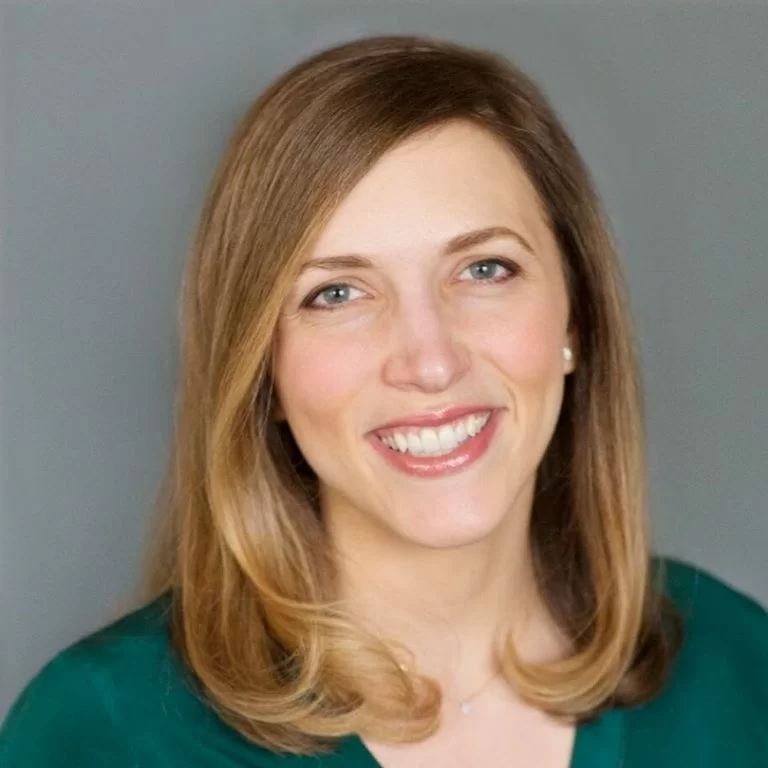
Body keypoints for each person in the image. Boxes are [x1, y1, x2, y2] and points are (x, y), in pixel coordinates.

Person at [1, 33, 766, 768]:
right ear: (261, 373)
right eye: (337, 293)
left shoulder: (738, 668)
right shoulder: (103, 735)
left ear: (576, 316)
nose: (430, 362)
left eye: (484, 270)